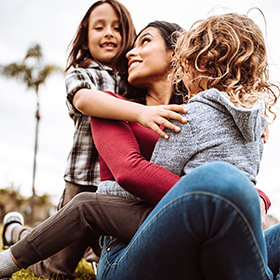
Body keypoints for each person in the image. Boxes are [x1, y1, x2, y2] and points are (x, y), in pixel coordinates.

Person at [0, 16, 278, 279]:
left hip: (195, 234)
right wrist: (234, 197)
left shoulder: (210, 116)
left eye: (144, 41)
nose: (131, 53)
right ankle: (14, 233)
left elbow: (234, 177)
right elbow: (131, 173)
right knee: (54, 265)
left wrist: (250, 198)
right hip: (128, 238)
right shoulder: (110, 107)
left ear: (180, 55)